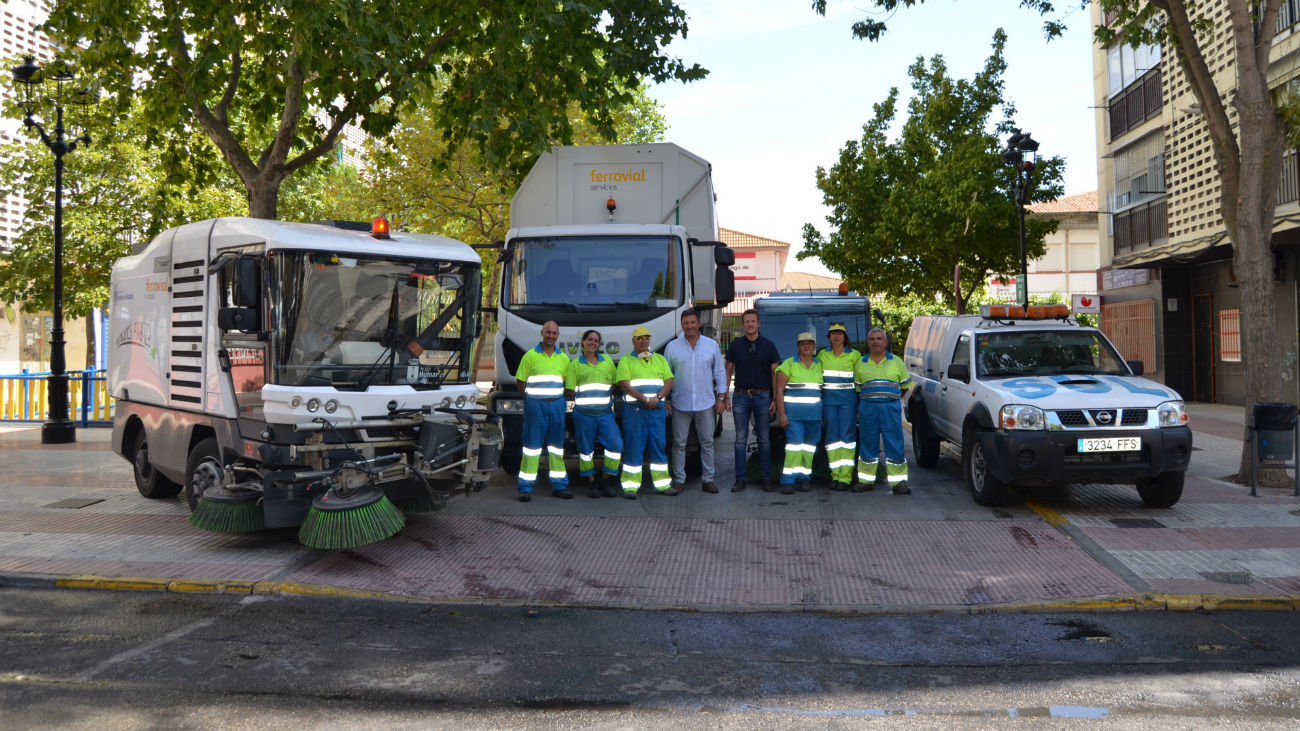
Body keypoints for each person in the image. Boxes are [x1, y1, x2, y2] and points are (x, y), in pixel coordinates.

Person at [664, 309, 728, 493]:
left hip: (706, 403)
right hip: (679, 403)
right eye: (686, 323)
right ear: (682, 325)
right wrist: (665, 400)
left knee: (707, 442)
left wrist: (722, 398)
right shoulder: (672, 347)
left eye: (693, 322)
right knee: (678, 443)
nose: (690, 326)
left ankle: (708, 479)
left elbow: (720, 372)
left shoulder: (711, 345)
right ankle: (679, 479)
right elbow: (666, 376)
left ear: (699, 323)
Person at [514, 320, 572, 501]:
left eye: (554, 333)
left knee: (556, 448)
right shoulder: (530, 356)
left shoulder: (563, 358)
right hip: (535, 407)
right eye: (548, 332)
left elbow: (567, 384)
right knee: (532, 447)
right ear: (542, 333)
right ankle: (525, 488)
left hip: (557, 405)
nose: (551, 336)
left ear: (558, 336)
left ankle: (560, 486)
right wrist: (531, 400)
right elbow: (520, 382)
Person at [724, 308, 780, 492]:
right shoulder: (735, 345)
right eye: (746, 321)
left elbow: (775, 373)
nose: (750, 324)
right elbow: (728, 370)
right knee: (740, 439)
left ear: (759, 323)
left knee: (764, 439)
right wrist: (724, 396)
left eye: (753, 321)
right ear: (743, 324)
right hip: (740, 396)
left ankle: (766, 478)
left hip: (763, 397)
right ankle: (740, 478)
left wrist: (774, 398)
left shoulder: (769, 345)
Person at [616, 326, 676, 498]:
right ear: (633, 341)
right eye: (639, 338)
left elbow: (669, 381)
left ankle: (663, 484)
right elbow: (625, 385)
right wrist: (645, 400)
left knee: (659, 447)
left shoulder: (659, 359)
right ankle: (630, 487)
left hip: (656, 412)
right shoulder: (626, 360)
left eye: (646, 338)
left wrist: (658, 397)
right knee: (634, 448)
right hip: (635, 412)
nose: (643, 341)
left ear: (650, 340)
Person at [854, 327, 913, 495]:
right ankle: (866, 481)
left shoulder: (896, 362)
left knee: (894, 445)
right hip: (868, 409)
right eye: (872, 339)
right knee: (868, 445)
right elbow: (858, 389)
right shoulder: (861, 363)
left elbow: (905, 387)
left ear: (885, 342)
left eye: (879, 338)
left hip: (890, 409)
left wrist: (890, 397)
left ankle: (899, 483)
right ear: (868, 342)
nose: (876, 342)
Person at [565, 329, 622, 498]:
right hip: (583, 415)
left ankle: (604, 480)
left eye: (596, 340)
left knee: (616, 445)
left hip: (605, 414)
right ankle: (591, 482)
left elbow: (614, 384)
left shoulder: (607, 362)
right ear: (583, 342)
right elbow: (569, 390)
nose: (592, 343)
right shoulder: (575, 364)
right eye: (589, 339)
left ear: (599, 344)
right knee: (586, 450)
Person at [774, 332, 824, 494]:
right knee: (794, 448)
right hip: (793, 417)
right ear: (798, 346)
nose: (806, 346)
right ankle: (787, 480)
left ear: (814, 346)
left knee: (808, 449)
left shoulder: (820, 365)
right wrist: (782, 414)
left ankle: (805, 478)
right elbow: (779, 392)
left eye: (810, 343)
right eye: (803, 343)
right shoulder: (788, 364)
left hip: (814, 417)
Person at [819, 322, 862, 490]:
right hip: (829, 403)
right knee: (832, 440)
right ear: (829, 337)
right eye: (833, 333)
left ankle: (845, 478)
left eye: (840, 333)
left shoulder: (855, 355)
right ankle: (835, 476)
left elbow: (859, 381)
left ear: (845, 336)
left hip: (848, 404)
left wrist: (859, 405)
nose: (836, 336)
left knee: (847, 440)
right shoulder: (822, 355)